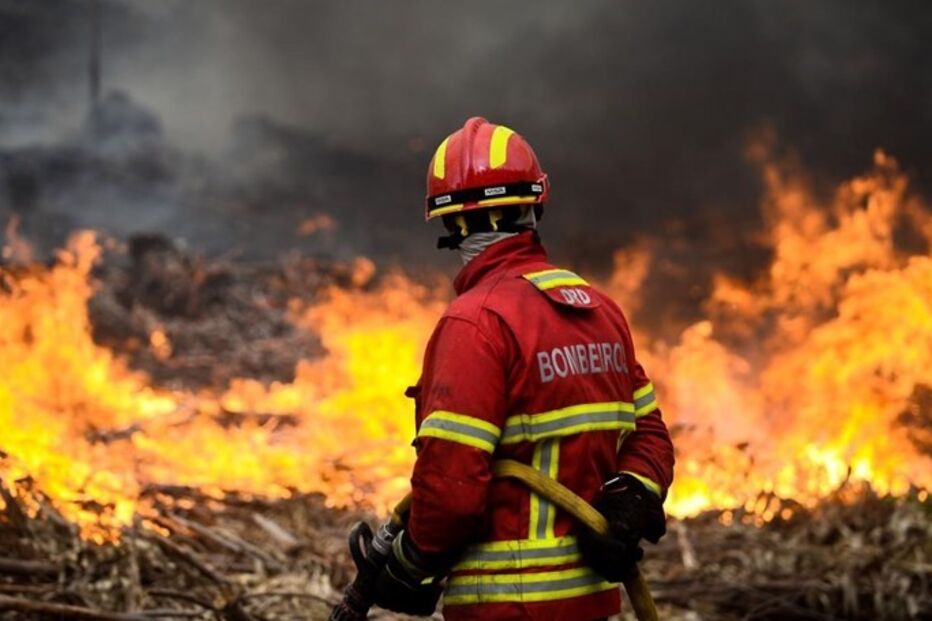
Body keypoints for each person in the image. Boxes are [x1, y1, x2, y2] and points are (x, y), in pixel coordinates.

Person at [373, 117, 675, 620]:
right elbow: (650, 437)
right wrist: (630, 499)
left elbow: (451, 490)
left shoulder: (476, 323)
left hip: (505, 607)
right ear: (536, 204)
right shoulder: (600, 311)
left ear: (451, 225)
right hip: (592, 606)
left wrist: (406, 563)